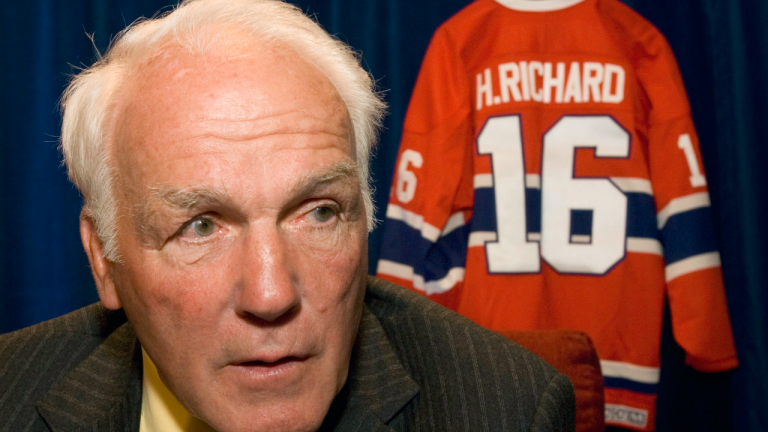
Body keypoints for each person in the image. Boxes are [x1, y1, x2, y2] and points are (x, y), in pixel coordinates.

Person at [0, 0, 575, 431]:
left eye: (318, 213)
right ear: (104, 257)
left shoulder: (508, 408)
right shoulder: (10, 395)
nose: (271, 294)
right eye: (201, 225)